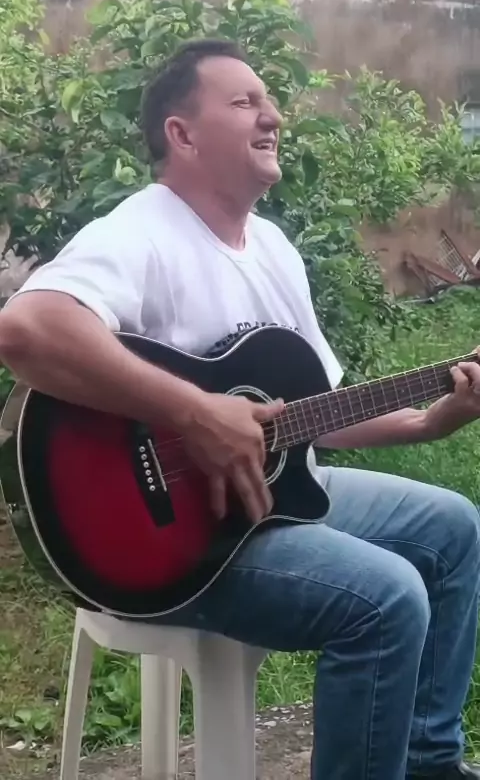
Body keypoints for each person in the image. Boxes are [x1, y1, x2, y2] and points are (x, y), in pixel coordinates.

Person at [0, 38, 479, 780]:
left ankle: (426, 762)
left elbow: (315, 410)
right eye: (244, 102)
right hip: (170, 541)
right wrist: (197, 413)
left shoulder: (274, 248)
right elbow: (25, 331)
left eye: (270, 101)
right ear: (183, 134)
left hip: (269, 501)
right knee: (387, 599)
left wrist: (424, 421)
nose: (273, 116)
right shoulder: (140, 232)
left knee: (454, 528)